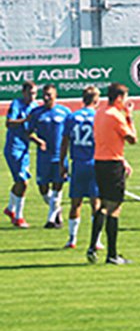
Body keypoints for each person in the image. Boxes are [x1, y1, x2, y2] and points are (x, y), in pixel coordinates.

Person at [88, 83, 137, 265]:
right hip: (113, 164)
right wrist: (129, 117)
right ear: (118, 98)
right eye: (124, 98)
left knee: (103, 204)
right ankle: (112, 254)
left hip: (99, 161)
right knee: (114, 208)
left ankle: (92, 246)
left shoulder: (100, 112)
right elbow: (132, 139)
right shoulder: (116, 116)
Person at [60, 86, 104, 249]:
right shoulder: (98, 117)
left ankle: (72, 239)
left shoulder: (72, 117)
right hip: (94, 163)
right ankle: (96, 240)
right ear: (96, 100)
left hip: (78, 164)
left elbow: (65, 141)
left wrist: (62, 163)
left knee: (75, 203)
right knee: (96, 203)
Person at [28, 84, 72, 229]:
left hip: (60, 157)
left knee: (58, 186)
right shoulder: (36, 113)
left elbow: (71, 132)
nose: (46, 98)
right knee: (43, 188)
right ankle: (57, 209)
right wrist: (38, 141)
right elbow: (28, 132)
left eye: (49, 95)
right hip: (43, 158)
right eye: (44, 95)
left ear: (55, 96)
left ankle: (51, 220)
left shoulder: (65, 112)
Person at [4, 81, 38, 228]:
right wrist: (25, 120)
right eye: (30, 93)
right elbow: (9, 123)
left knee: (20, 181)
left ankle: (10, 208)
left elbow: (31, 130)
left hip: (25, 149)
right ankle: (18, 217)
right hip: (14, 148)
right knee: (23, 182)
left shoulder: (35, 106)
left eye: (34, 93)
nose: (32, 96)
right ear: (23, 93)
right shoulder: (17, 104)